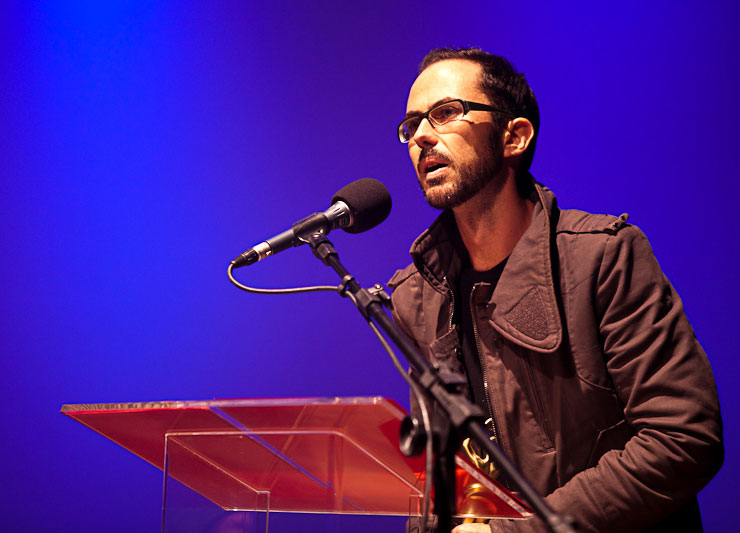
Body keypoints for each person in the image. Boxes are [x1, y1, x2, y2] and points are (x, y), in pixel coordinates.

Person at [388, 47, 723, 533]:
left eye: (445, 113)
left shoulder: (603, 257)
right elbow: (443, 471)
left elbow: (684, 439)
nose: (421, 135)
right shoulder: (417, 297)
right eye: (412, 124)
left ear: (514, 137)